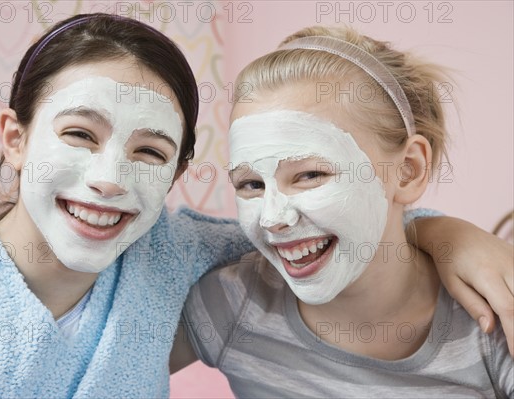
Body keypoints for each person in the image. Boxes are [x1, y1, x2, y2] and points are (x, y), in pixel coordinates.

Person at [0, 14, 512, 398]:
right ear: (15, 138)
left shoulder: (178, 258)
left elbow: (363, 234)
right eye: (79, 135)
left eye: (150, 151)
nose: (107, 179)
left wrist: (449, 234)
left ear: (175, 173)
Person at [175, 26, 513, 397]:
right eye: (251, 184)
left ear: (408, 170)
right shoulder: (231, 305)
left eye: (309, 175)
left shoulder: (491, 319)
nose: (273, 218)